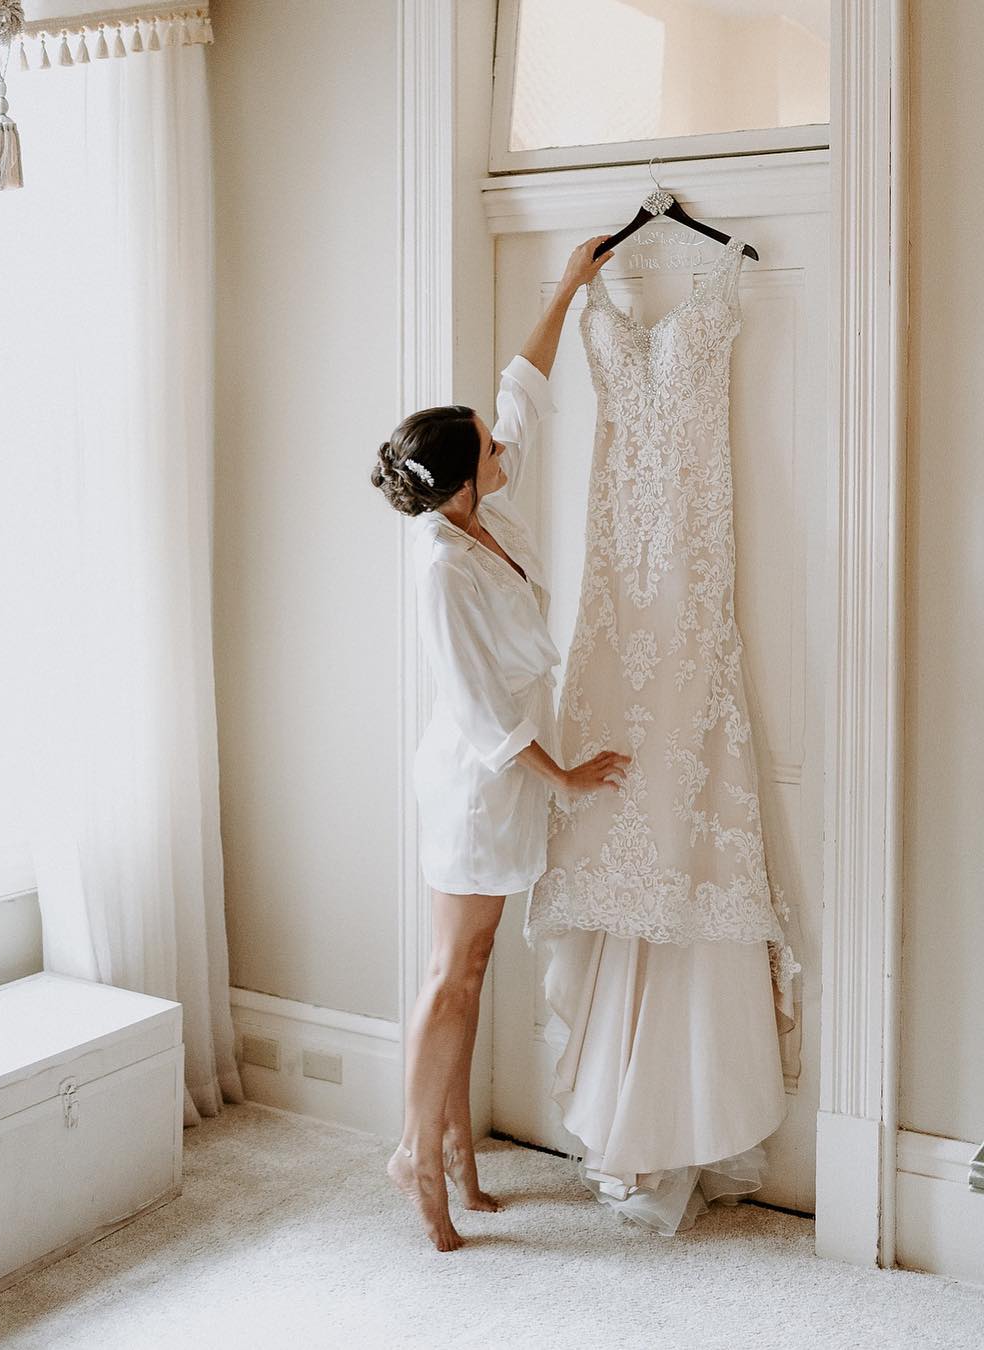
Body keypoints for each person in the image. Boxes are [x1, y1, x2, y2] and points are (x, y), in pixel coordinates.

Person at [369, 237, 631, 1251]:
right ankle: (411, 1152)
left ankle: (458, 1156)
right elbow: (480, 705)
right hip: (477, 783)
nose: (502, 442)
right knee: (453, 971)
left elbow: (519, 393)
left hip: (507, 778)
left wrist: (568, 284)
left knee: (474, 965)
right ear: (464, 482)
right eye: (487, 445)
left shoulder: (487, 518)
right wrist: (563, 775)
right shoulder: (442, 566)